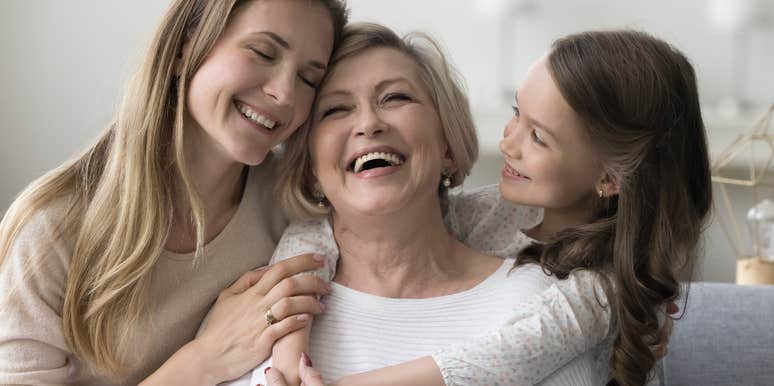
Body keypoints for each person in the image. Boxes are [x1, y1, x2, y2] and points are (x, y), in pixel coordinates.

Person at [254, 24, 711, 386]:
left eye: (538, 137)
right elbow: (317, 230)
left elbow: (489, 364)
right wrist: (289, 342)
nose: (507, 143)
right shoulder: (489, 214)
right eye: (516, 114)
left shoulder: (588, 295)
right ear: (310, 168)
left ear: (448, 144)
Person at [0, 1, 349, 385]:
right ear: (186, 46)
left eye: (309, 79)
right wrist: (204, 360)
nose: (285, 93)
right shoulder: (51, 229)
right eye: (263, 52)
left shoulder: (297, 209)